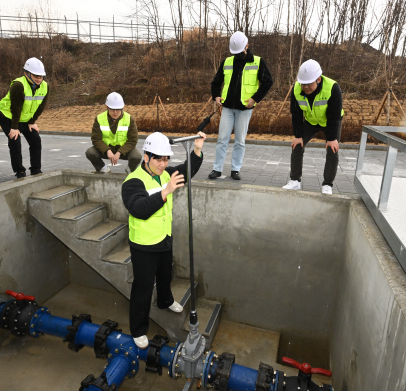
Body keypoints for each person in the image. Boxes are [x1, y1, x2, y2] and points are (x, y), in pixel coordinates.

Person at [121, 131, 206, 348]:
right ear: (146, 157)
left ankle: (166, 301)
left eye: (166, 158)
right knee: (143, 286)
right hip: (143, 244)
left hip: (164, 237)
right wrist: (165, 192)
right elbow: (139, 209)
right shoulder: (132, 182)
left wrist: (196, 149)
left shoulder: (166, 173)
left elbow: (185, 172)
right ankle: (138, 329)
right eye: (159, 158)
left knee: (166, 273)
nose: (163, 163)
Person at [209, 31, 273, 180]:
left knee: (240, 140)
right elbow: (216, 81)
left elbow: (268, 82)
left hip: (245, 108)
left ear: (247, 46)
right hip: (228, 108)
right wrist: (216, 96)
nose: (238, 55)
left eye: (240, 51)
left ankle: (235, 169)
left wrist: (255, 99)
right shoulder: (227, 62)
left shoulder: (257, 62)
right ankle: (217, 169)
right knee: (222, 138)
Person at [282, 59, 344, 195]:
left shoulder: (333, 88)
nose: (305, 87)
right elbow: (296, 114)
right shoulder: (297, 89)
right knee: (297, 145)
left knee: (332, 149)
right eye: (302, 84)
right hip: (310, 121)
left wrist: (332, 138)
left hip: (330, 122)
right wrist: (298, 136)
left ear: (318, 80)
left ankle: (327, 185)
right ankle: (295, 181)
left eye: (308, 84)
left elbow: (335, 115)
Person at [0, 57, 48, 178]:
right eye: (36, 76)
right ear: (26, 73)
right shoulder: (19, 85)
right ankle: (19, 171)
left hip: (24, 118)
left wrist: (31, 122)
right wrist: (14, 128)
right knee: (15, 141)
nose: (39, 79)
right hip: (8, 116)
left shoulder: (45, 87)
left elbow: (41, 107)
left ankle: (36, 169)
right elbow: (16, 108)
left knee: (35, 140)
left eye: (41, 76)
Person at [86, 92, 142, 174]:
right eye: (112, 109)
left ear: (122, 107)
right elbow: (96, 139)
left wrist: (120, 152)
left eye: (118, 109)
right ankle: (103, 168)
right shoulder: (99, 118)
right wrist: (107, 150)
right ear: (107, 107)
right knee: (90, 152)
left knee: (137, 156)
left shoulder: (129, 119)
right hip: (106, 150)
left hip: (123, 150)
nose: (115, 112)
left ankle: (130, 169)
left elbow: (132, 140)